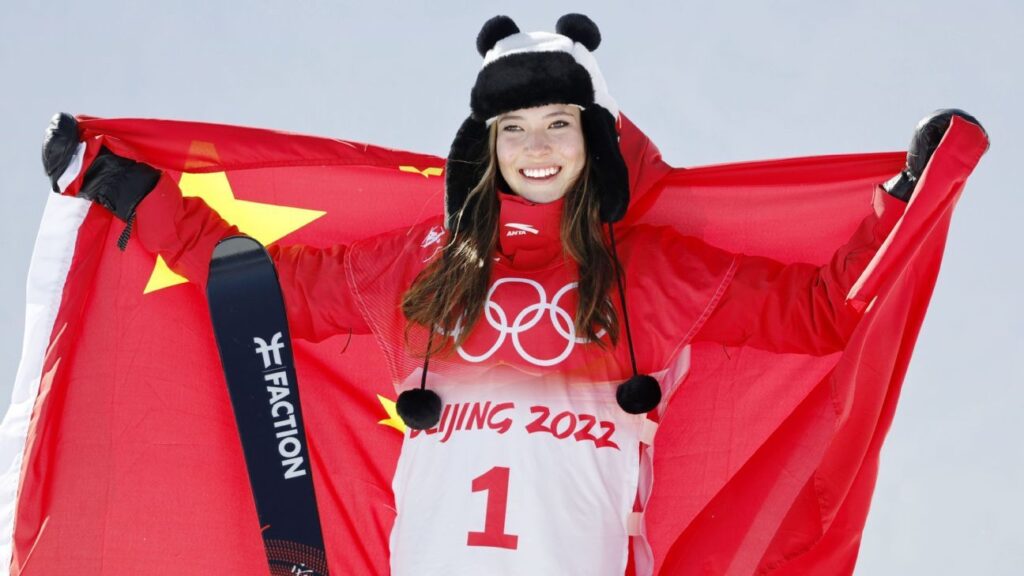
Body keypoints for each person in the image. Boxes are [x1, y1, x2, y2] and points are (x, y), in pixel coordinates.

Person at [40, 13, 983, 576]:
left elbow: (822, 310)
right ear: (483, 149)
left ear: (595, 139)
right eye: (514, 128)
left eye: (560, 123)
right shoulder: (421, 265)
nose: (538, 147)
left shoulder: (650, 273)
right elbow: (252, 290)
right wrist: (131, 189)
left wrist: (898, 203)